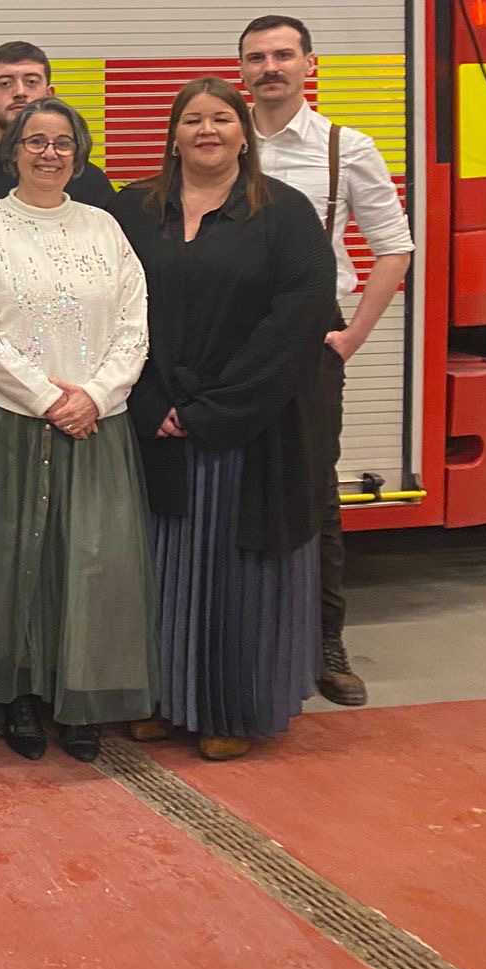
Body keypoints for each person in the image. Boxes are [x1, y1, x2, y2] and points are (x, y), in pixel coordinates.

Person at [0, 97, 157, 765]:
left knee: (89, 561)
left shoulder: (105, 227)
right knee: (5, 558)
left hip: (93, 424)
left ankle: (78, 694)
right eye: (36, 141)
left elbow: (135, 325)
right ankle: (17, 692)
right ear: (13, 150)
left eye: (63, 143)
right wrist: (49, 397)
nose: (50, 153)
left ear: (79, 157)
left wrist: (97, 396)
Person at [116, 78, 337, 761]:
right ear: (173, 135)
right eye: (192, 120)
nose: (205, 130)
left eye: (220, 119)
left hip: (251, 428)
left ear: (245, 133)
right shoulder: (134, 210)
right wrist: (152, 403)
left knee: (236, 574)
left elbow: (295, 322)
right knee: (157, 569)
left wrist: (214, 410)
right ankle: (161, 697)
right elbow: (108, 306)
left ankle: (229, 708)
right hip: (157, 422)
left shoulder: (285, 214)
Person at [240, 14, 414, 708]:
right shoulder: (221, 138)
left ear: (309, 64)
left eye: (283, 54)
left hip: (311, 342)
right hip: (229, 340)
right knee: (225, 482)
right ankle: (244, 630)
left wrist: (352, 337)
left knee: (314, 488)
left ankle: (325, 642)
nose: (270, 67)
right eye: (257, 57)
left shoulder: (346, 147)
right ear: (242, 69)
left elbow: (393, 245)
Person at [0, 41, 117, 222]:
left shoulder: (85, 178)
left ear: (49, 96)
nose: (20, 92)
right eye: (5, 83)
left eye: (31, 82)